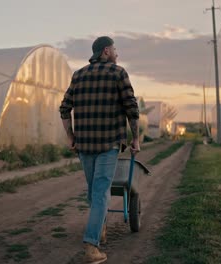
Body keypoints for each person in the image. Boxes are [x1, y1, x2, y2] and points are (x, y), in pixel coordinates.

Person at [59, 36, 140, 264]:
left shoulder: (79, 75)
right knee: (101, 192)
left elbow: (64, 109)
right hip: (108, 144)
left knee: (94, 190)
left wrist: (71, 137)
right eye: (115, 49)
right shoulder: (118, 72)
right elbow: (132, 109)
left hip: (84, 145)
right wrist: (136, 139)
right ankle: (91, 246)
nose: (117, 53)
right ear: (106, 51)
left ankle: (100, 229)